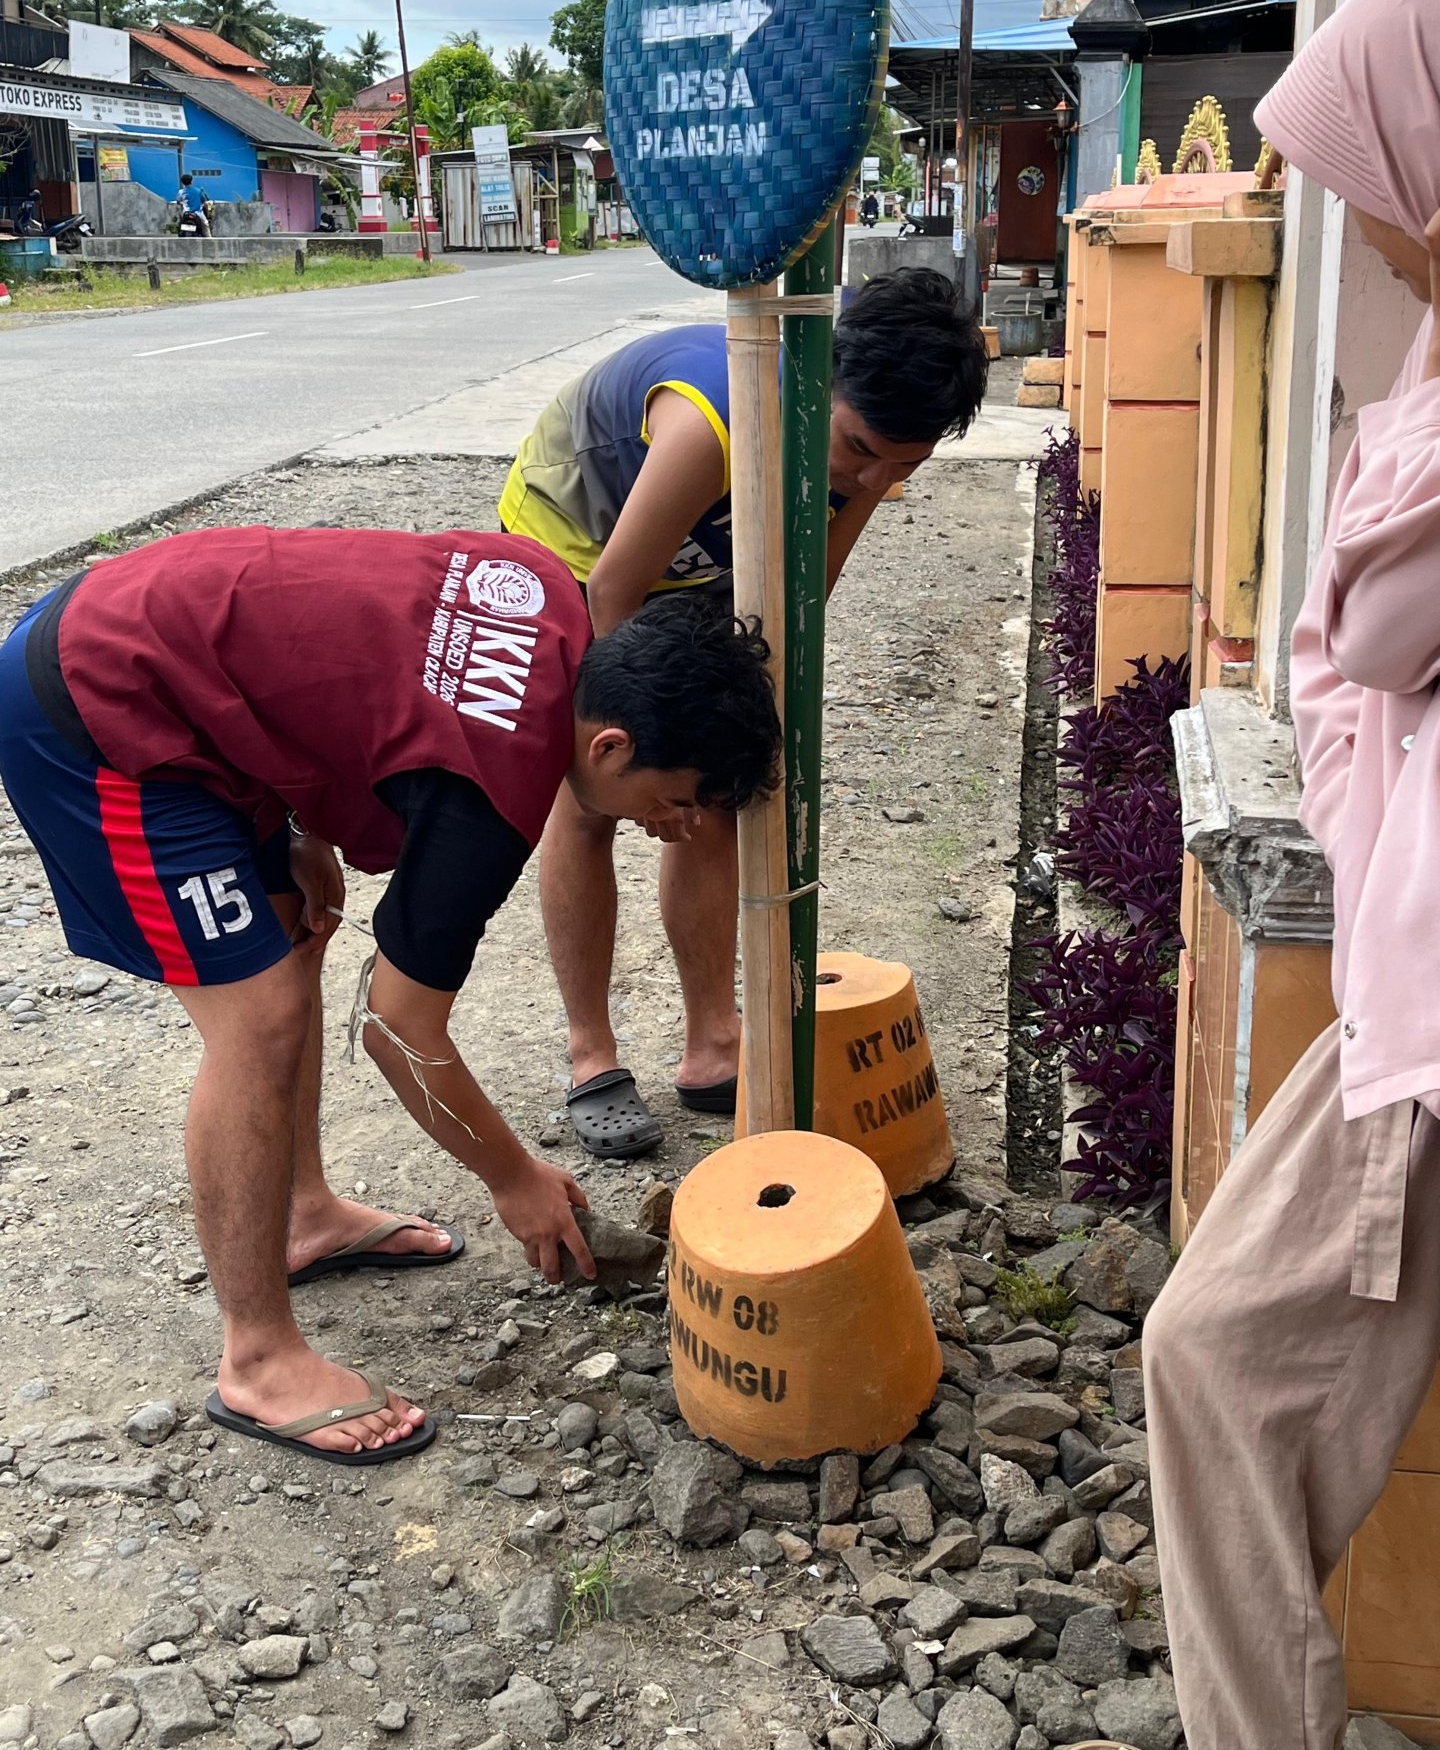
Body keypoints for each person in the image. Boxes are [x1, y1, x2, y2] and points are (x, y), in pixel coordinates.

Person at [0, 528, 780, 1466]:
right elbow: (399, 1029)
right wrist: (515, 1180)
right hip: (95, 707)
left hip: (175, 659)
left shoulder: (542, 587)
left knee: (292, 934)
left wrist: (295, 811)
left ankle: (303, 1215)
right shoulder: (493, 789)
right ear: (610, 745)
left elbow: (347, 647)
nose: (683, 826)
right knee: (259, 1019)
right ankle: (257, 1358)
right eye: (682, 798)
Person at [1145, 0, 1440, 1750]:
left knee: (1220, 1359)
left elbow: (1372, 618)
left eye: (1383, 195)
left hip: (1430, 1030)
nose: (1379, 243)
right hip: (1402, 997)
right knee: (1218, 1350)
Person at [500, 267, 987, 1156]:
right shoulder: (710, 424)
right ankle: (590, 1053)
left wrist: (720, 755)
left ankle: (712, 1039)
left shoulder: (874, 455)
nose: (872, 476)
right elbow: (614, 588)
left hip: (698, 563)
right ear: (821, 379)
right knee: (590, 800)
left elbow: (805, 595)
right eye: (859, 447)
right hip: (577, 550)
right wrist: (648, 745)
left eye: (902, 465)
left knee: (717, 793)